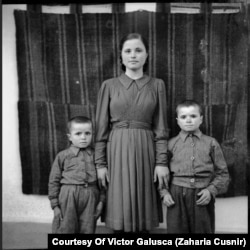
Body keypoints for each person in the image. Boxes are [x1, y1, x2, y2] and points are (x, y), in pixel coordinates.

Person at [94, 33, 169, 233]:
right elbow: (101, 128)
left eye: (138, 50)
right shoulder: (108, 86)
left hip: (146, 149)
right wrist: (100, 164)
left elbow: (161, 127)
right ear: (121, 56)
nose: (133, 55)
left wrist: (161, 162)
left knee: (143, 209)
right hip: (116, 149)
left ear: (146, 55)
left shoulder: (157, 85)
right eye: (128, 51)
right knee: (120, 207)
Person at [161, 100, 230, 233]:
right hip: (176, 196)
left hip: (202, 194)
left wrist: (211, 190)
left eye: (193, 116)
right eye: (183, 117)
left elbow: (223, 173)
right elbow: (162, 172)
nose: (188, 120)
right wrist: (164, 193)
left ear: (201, 119)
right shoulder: (170, 144)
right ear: (177, 121)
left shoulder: (211, 143)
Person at [48, 116, 105, 234]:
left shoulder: (97, 156)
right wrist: (55, 205)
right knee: (65, 227)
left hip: (90, 195)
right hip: (68, 195)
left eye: (87, 133)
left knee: (88, 228)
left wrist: (101, 201)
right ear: (70, 137)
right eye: (78, 133)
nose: (83, 137)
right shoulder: (62, 156)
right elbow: (54, 181)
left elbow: (102, 181)